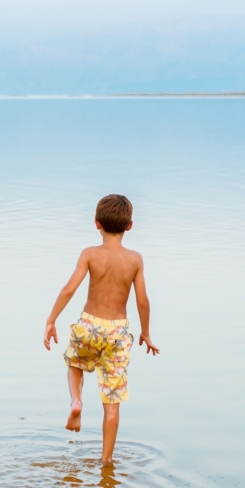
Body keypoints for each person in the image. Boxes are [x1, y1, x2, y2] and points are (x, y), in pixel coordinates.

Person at [43, 194, 159, 466]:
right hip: (118, 331)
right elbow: (142, 300)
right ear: (130, 225)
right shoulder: (135, 259)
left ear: (96, 223)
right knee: (112, 400)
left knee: (75, 362)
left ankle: (76, 402)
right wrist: (146, 333)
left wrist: (51, 319)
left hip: (89, 324)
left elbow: (69, 288)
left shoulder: (90, 254)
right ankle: (106, 461)